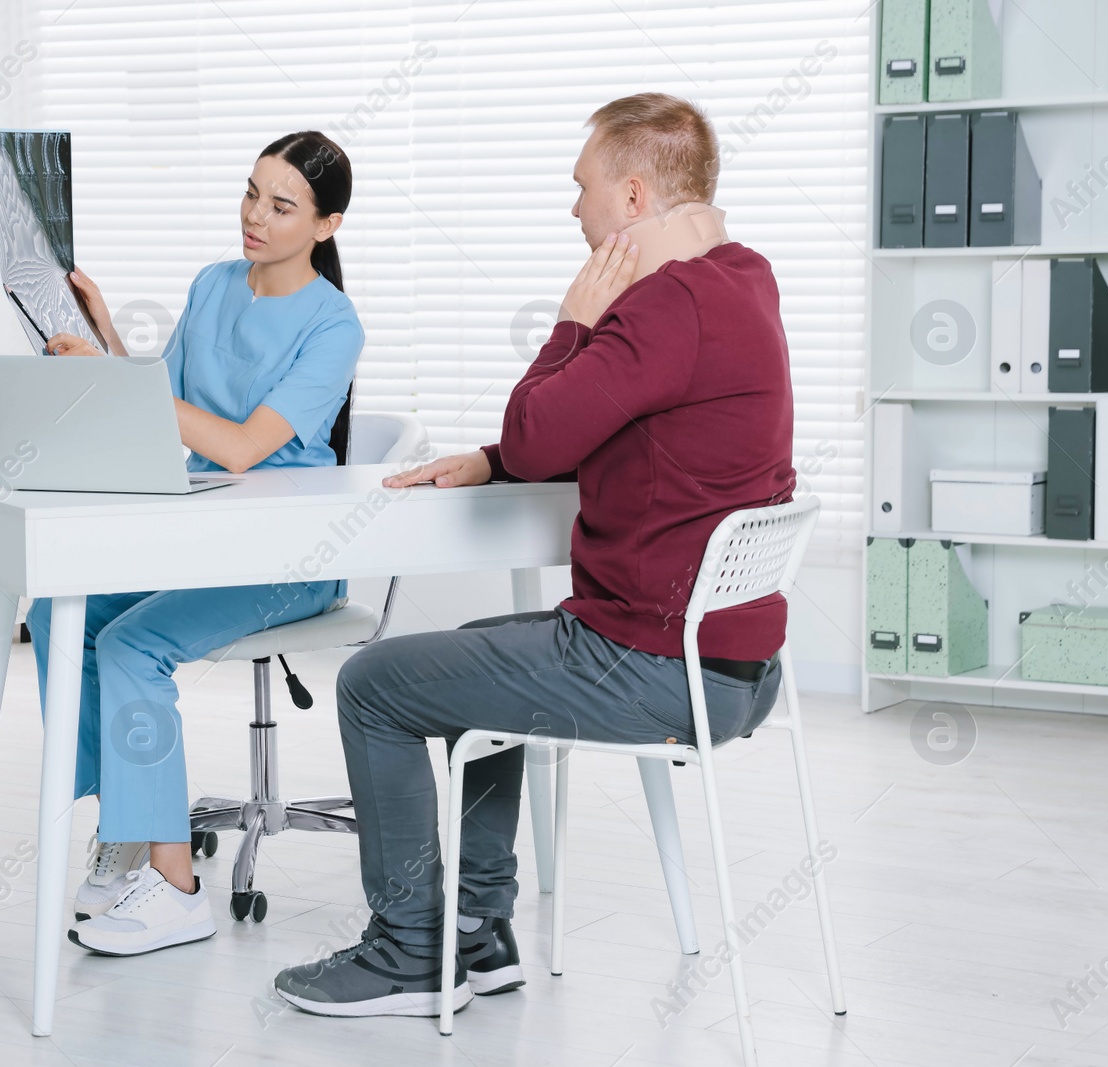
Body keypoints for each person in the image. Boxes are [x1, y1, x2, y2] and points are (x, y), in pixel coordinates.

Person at [271, 92, 795, 1017]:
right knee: (478, 650)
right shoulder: (742, 278)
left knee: (376, 685)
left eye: (584, 187)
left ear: (633, 197)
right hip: (736, 667)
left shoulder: (662, 306)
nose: (575, 209)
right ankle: (478, 936)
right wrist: (497, 461)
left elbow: (542, 426)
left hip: (652, 664)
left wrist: (571, 323)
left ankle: (405, 951)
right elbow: (583, 429)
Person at [26, 130, 364, 957]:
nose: (255, 216)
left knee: (134, 643)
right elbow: (164, 406)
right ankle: (132, 825)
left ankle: (177, 889)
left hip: (290, 556)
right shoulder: (214, 284)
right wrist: (107, 344)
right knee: (56, 610)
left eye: (281, 205)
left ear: (327, 224)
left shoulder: (334, 324)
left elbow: (243, 446)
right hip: (201, 534)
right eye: (251, 193)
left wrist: (126, 378)